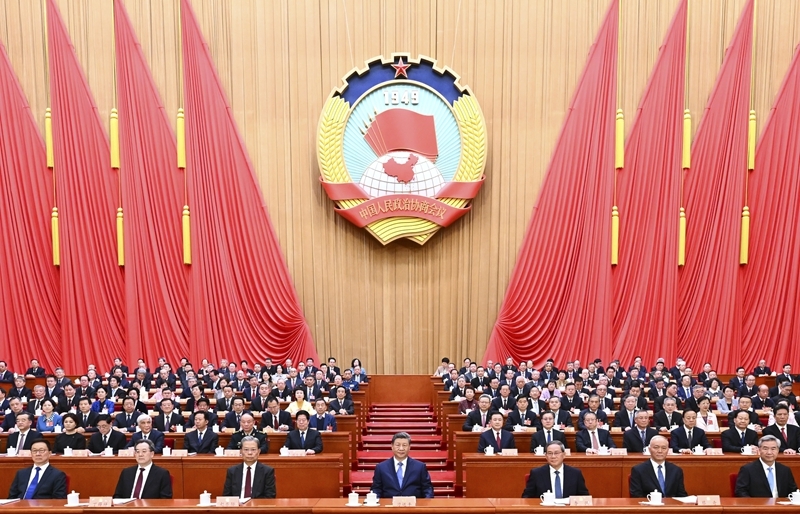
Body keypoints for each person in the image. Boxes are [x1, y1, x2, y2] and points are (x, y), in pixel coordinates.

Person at [370, 432, 433, 498]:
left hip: (414, 504)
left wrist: (426, 502)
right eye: (397, 445)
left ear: (409, 447)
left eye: (404, 445)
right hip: (389, 504)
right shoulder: (381, 467)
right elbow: (376, 489)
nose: (401, 448)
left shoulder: (420, 467)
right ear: (392, 446)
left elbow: (427, 488)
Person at [521, 440, 589, 498]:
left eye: (556, 453)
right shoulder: (536, 473)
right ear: (546, 456)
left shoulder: (575, 473)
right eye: (550, 453)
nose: (553, 456)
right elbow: (526, 497)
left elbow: (584, 497)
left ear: (564, 455)